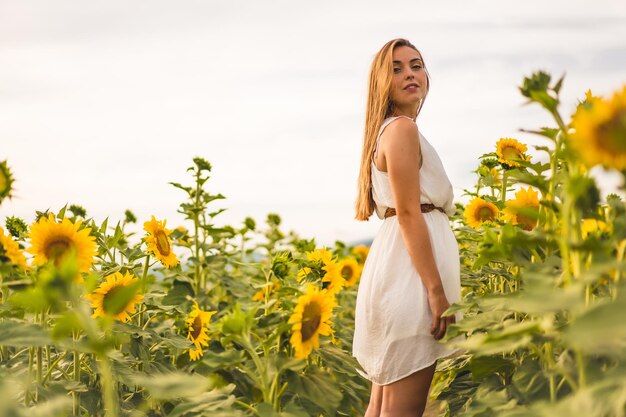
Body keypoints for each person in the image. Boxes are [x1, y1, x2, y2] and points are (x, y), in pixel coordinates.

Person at [352, 38, 462, 417]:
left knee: (383, 406)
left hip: (398, 269)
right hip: (411, 280)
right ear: (382, 83)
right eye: (396, 69)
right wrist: (436, 290)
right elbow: (410, 214)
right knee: (401, 410)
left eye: (415, 65)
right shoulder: (401, 130)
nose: (410, 74)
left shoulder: (392, 129)